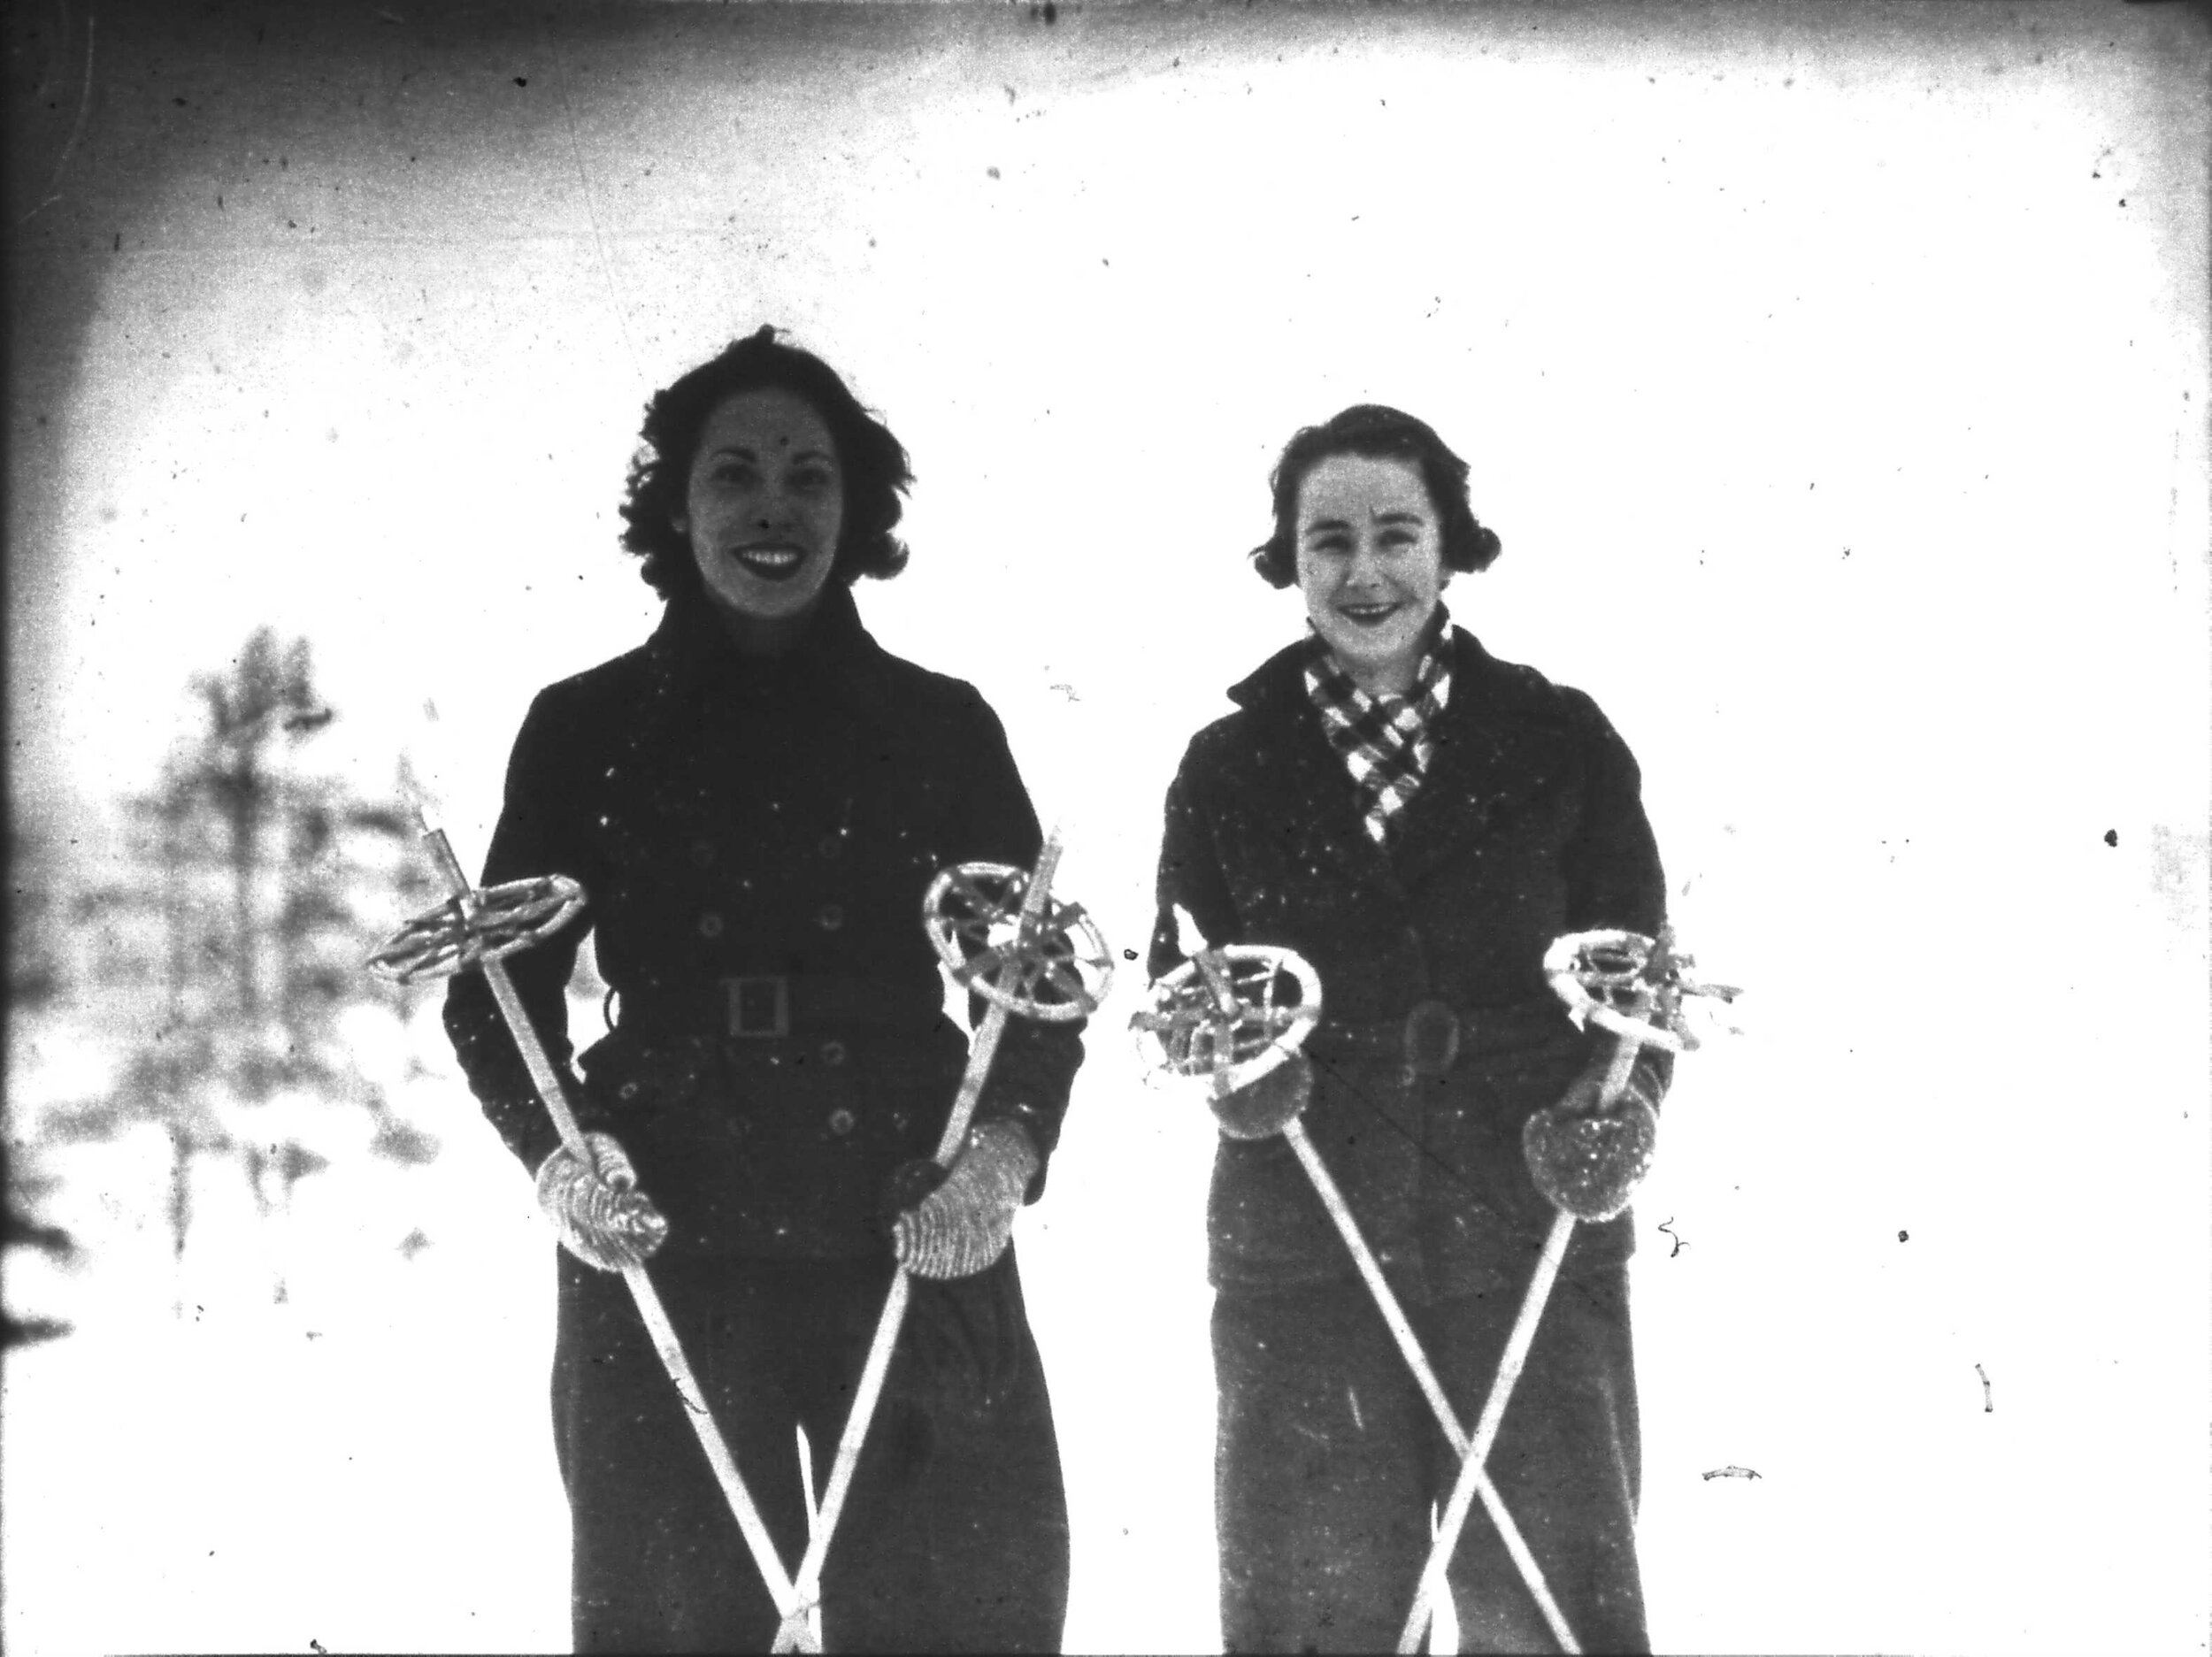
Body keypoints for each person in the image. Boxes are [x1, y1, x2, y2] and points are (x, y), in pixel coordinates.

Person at [444, 326, 1081, 1653]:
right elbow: (496, 985)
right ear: (674, 507)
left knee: (962, 1611)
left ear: (858, 511)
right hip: (672, 1220)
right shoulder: (587, 725)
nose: (773, 510)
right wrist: (565, 1154)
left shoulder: (940, 723)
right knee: (678, 1621)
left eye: (810, 476)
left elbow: (1039, 980)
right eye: (733, 474)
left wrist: (1002, 1154)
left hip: (909, 1212)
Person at [1148, 404, 1669, 1654]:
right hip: (1307, 1240)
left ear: (1450, 546)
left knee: (1547, 1612)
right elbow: (1185, 976)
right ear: (1289, 559)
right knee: (1314, 1618)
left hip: (1526, 1224)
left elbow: (1638, 975)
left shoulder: (1560, 739)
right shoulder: (1229, 764)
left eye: (1396, 533)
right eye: (1328, 541)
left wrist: (1622, 1107)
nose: (1364, 572)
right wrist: (1236, 1077)